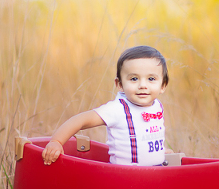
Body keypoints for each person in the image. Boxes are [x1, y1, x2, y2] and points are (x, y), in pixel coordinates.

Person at [42, 45, 170, 166]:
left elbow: (145, 136)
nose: (143, 85)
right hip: (124, 176)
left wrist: (159, 152)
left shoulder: (157, 105)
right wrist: (56, 142)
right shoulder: (117, 109)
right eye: (134, 79)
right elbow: (80, 120)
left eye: (151, 79)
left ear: (163, 85)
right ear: (119, 84)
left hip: (155, 172)